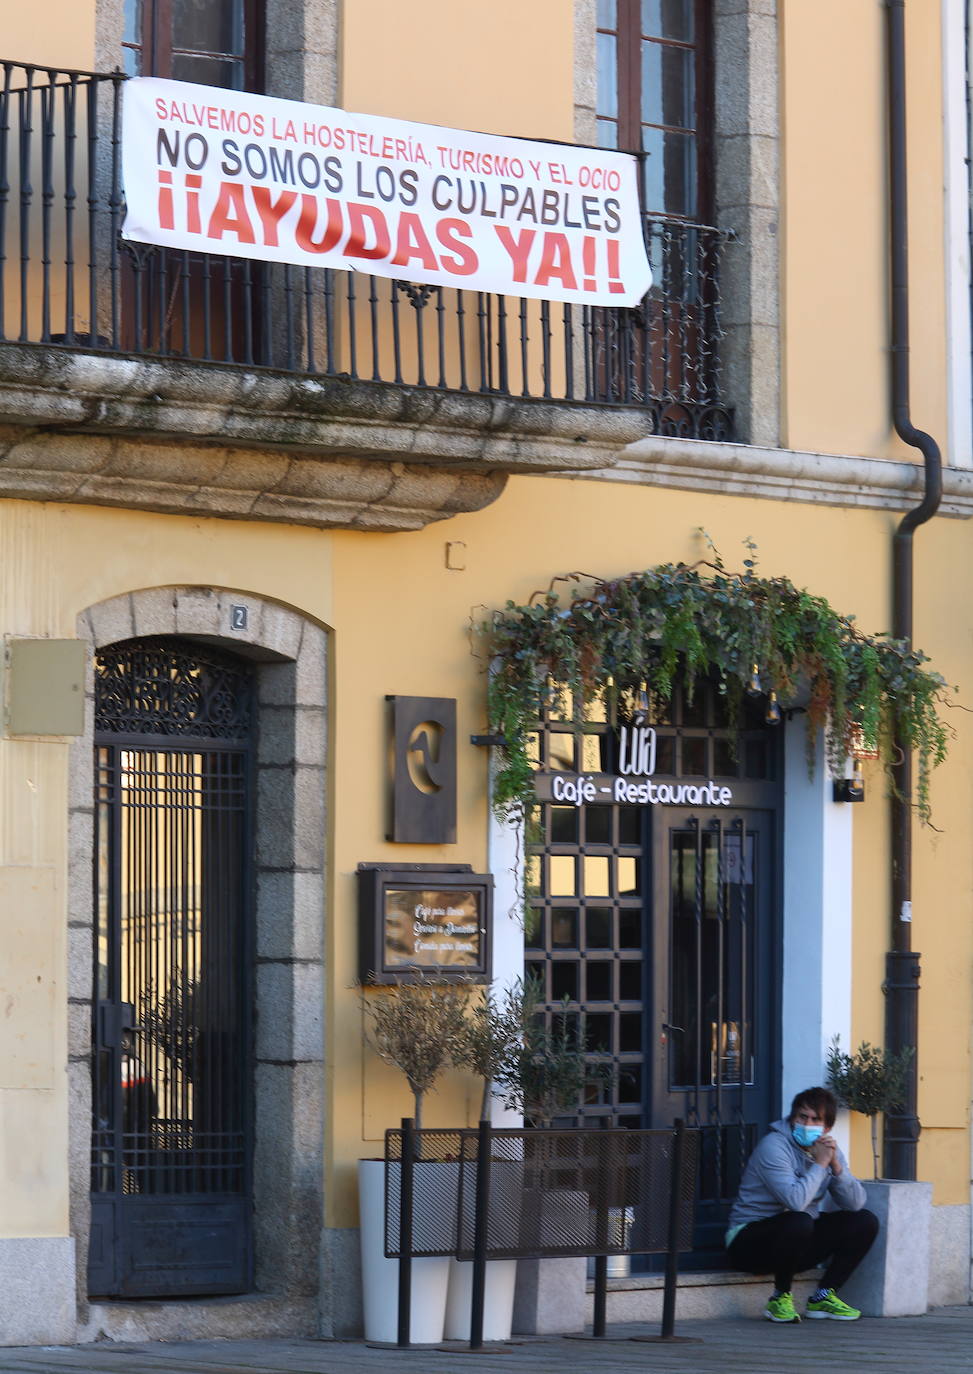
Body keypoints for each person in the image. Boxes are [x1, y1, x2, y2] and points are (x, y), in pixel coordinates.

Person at [725, 1086, 879, 1323]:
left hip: (795, 1244)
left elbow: (856, 1202)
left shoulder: (828, 1150)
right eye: (802, 1117)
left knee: (864, 1221)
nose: (807, 1124)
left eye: (815, 1119)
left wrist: (837, 1168)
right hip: (748, 1243)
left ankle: (823, 1296)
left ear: (826, 1128)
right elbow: (795, 1201)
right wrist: (820, 1165)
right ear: (792, 1118)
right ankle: (780, 1298)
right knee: (800, 1220)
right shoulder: (774, 1146)